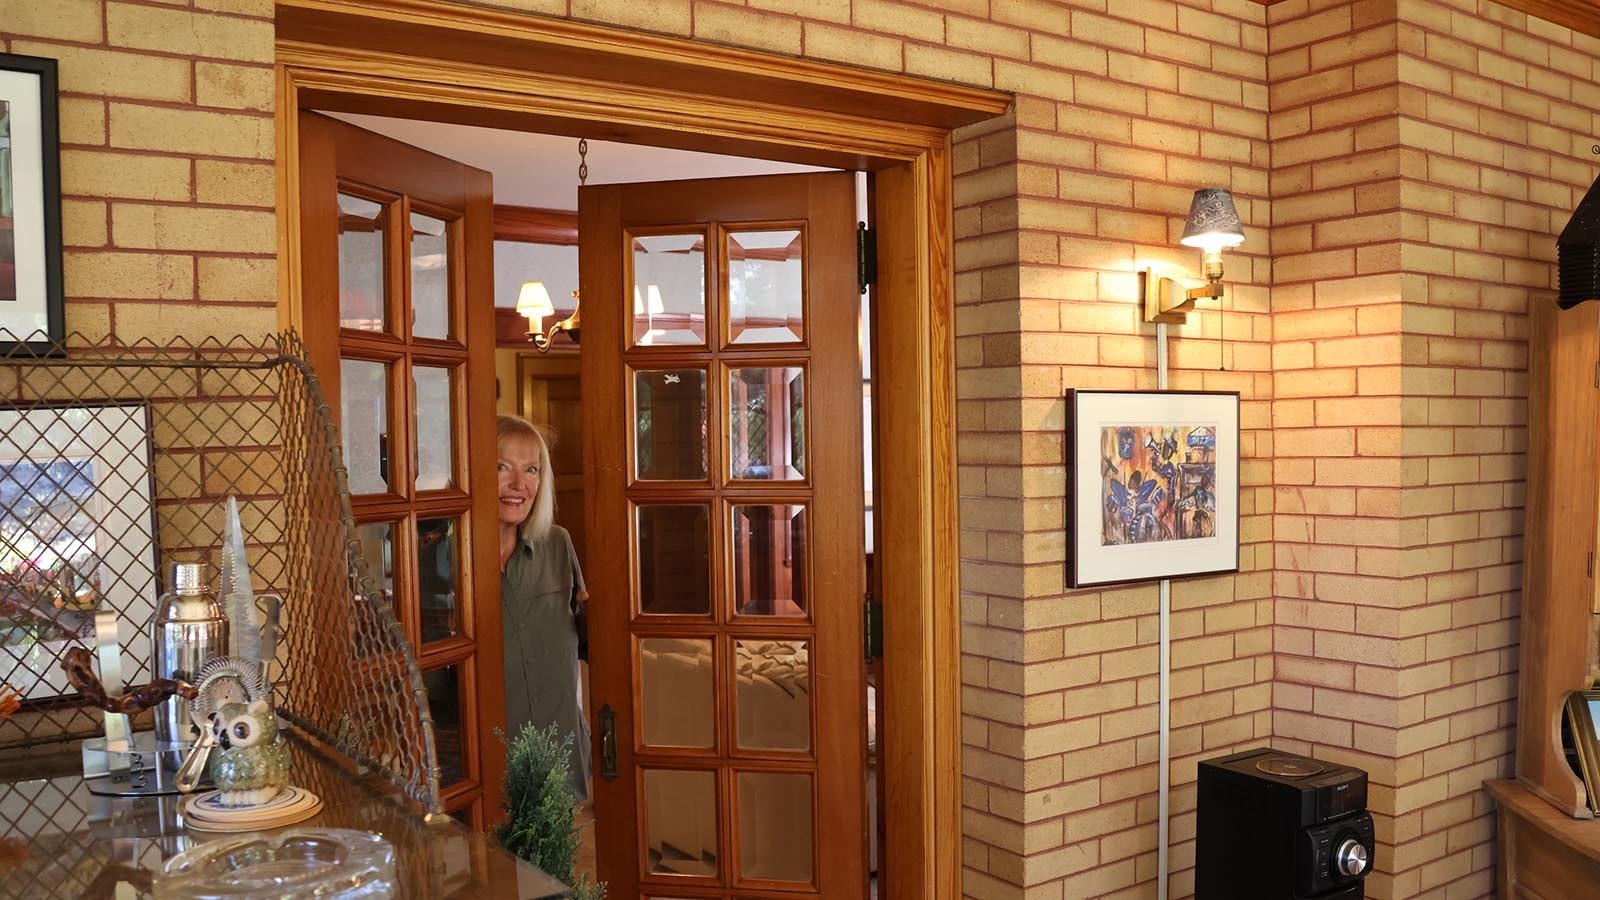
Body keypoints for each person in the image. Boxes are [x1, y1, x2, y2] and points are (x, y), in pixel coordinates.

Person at [497, 414, 590, 801]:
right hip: (487, 762)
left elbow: (592, 638)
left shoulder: (557, 544)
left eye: (531, 469)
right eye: (502, 467)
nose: (519, 484)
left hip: (559, 755)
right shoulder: (444, 562)